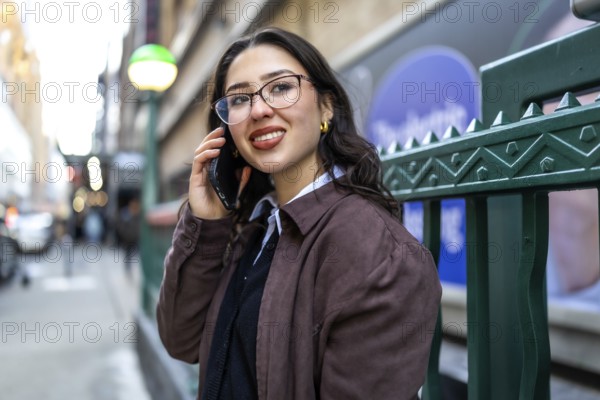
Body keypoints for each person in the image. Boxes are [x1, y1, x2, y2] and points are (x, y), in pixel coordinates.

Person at [157, 27, 442, 400]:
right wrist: (206, 225)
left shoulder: (379, 253)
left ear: (326, 106)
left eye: (280, 87)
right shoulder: (255, 229)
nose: (259, 109)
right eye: (240, 99)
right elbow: (181, 339)